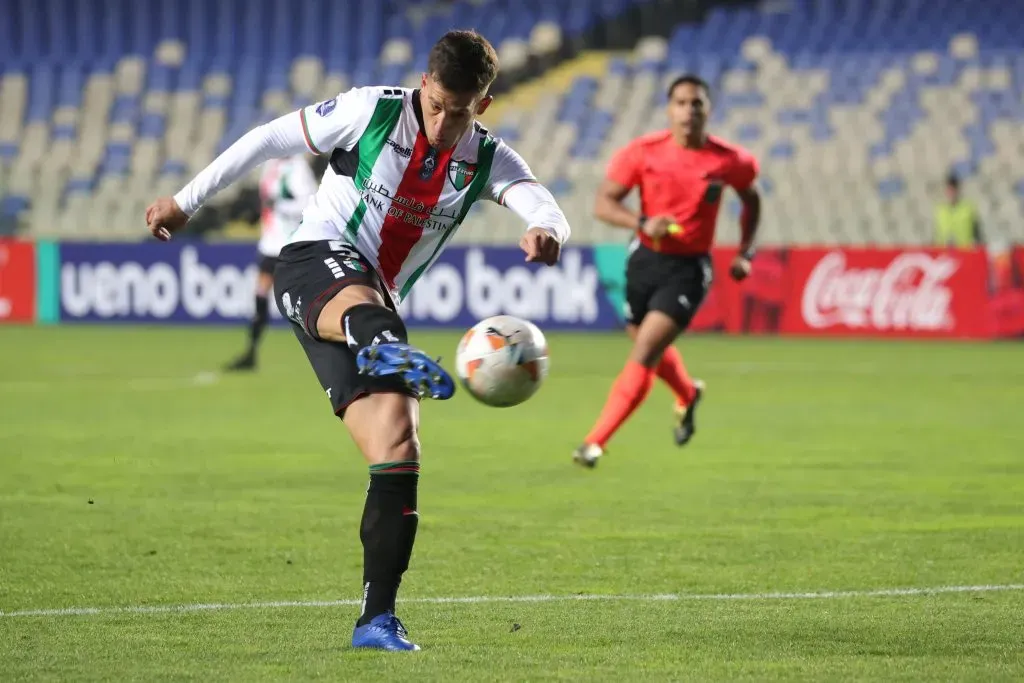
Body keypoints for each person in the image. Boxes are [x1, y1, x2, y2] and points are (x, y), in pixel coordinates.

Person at [144, 30, 570, 651]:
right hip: (315, 261)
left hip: (373, 300)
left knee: (399, 446)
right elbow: (269, 139)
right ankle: (380, 344)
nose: (448, 122)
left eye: (464, 110)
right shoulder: (372, 110)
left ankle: (375, 619)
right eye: (439, 106)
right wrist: (186, 202)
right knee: (375, 319)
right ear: (425, 85)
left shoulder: (486, 156)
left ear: (484, 101)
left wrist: (546, 231)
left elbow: (542, 202)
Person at [573, 74, 761, 468]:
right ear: (669, 109)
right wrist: (642, 222)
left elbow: (751, 198)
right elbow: (604, 204)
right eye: (681, 102)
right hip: (644, 259)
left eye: (697, 103)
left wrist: (746, 251)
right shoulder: (642, 153)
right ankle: (688, 393)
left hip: (689, 268)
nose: (689, 110)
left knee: (645, 350)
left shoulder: (730, 160)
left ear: (708, 109)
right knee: (647, 344)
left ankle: (595, 441)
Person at [225, 153, 318, 371]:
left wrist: (278, 205)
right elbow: (266, 200)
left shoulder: (299, 167)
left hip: (291, 242)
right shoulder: (270, 165)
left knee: (306, 300)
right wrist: (258, 213)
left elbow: (307, 203)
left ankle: (331, 349)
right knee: (260, 294)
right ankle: (251, 351)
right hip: (270, 243)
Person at [934, 173, 983, 249]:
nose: (951, 192)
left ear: (958, 190)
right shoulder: (940, 211)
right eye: (949, 189)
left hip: (965, 253)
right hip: (945, 254)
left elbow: (977, 234)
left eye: (953, 189)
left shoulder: (968, 208)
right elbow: (937, 236)